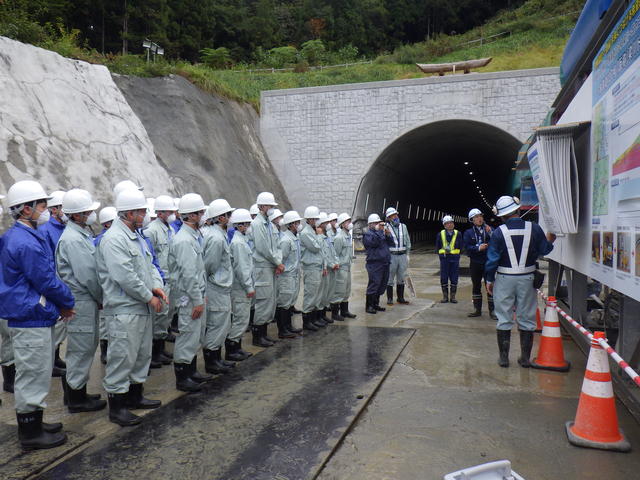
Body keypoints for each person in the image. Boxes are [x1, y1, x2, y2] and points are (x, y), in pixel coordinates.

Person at [0, 180, 74, 450]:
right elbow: (46, 280)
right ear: (26, 210)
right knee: (33, 374)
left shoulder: (24, 236)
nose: (47, 209)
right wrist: (66, 301)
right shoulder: (24, 242)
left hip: (32, 314)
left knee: (37, 372)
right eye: (42, 205)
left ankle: (35, 422)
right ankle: (30, 433)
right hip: (29, 315)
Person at [97, 188, 165, 426]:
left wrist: (157, 287)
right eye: (142, 211)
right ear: (129, 213)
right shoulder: (114, 239)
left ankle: (135, 397)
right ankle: (117, 407)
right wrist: (149, 296)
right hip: (125, 308)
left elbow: (151, 266)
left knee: (140, 355)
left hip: (140, 307)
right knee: (122, 357)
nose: (145, 215)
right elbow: (125, 276)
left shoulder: (136, 236)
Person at [486, 196, 556, 368]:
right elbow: (544, 249)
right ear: (518, 210)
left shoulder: (498, 232)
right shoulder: (534, 228)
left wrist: (489, 279)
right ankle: (524, 358)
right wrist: (551, 240)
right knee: (527, 318)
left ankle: (503, 358)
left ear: (502, 216)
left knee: (504, 317)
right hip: (527, 277)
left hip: (504, 278)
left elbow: (492, 260)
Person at [55, 189, 106, 413]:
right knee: (81, 348)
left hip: (83, 299)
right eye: (87, 211)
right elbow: (88, 275)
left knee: (85, 346)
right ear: (76, 215)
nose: (91, 215)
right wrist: (101, 297)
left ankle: (78, 392)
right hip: (82, 299)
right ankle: (76, 398)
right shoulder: (74, 240)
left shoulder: (79, 235)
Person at [167, 193, 211, 392]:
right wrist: (197, 300)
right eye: (200, 212)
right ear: (191, 216)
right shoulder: (184, 240)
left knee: (194, 335)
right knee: (187, 335)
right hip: (188, 296)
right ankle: (182, 378)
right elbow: (189, 274)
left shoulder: (192, 236)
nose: (203, 215)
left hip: (195, 294)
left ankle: (191, 371)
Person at [201, 199, 236, 374]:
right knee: (217, 323)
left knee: (221, 323)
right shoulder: (216, 238)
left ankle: (216, 358)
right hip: (216, 286)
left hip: (219, 285)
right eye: (228, 215)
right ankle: (211, 361)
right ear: (220, 217)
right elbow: (210, 265)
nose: (229, 218)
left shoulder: (217, 234)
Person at [143, 195, 176, 367]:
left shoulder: (170, 229)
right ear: (160, 213)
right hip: (161, 280)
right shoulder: (151, 231)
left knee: (166, 315)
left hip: (171, 279)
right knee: (158, 316)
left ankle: (160, 348)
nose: (172, 214)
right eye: (169, 211)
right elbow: (152, 259)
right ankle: (154, 353)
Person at [38, 189, 68, 377]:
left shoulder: (63, 228)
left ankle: (55, 357)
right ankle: (49, 362)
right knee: (55, 324)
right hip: (54, 280)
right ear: (55, 209)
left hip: (62, 280)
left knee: (60, 325)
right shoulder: (46, 229)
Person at [250, 192, 284, 347]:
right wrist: (277, 262)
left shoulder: (268, 224)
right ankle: (258, 337)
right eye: (269, 206)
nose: (271, 209)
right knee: (263, 301)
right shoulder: (257, 224)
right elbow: (263, 247)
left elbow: (276, 245)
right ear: (262, 206)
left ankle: (263, 334)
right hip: (262, 267)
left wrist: (277, 262)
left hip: (270, 266)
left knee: (269, 300)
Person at [226, 209, 255, 361]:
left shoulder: (241, 241)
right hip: (240, 287)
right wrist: (249, 287)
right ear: (240, 226)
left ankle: (236, 347)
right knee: (240, 318)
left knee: (242, 318)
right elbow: (242, 268)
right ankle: (232, 350)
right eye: (247, 224)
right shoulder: (238, 243)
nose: (249, 227)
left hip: (241, 286)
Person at [94, 206, 117, 365]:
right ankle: (105, 350)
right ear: (107, 224)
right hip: (105, 285)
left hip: (111, 285)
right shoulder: (101, 240)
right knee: (104, 322)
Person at [463, 208, 495, 318]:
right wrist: (478, 248)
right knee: (476, 286)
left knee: (490, 286)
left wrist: (490, 232)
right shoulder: (469, 233)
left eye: (480, 216)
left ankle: (492, 311)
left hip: (488, 262)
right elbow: (467, 247)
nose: (479, 218)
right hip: (475, 262)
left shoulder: (489, 229)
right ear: (472, 220)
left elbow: (497, 239)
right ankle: (477, 309)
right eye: (476, 217)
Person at [275, 211, 302, 338]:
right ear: (291, 225)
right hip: (286, 276)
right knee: (284, 303)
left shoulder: (294, 237)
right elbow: (281, 259)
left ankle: (288, 326)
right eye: (297, 223)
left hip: (293, 275)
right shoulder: (286, 240)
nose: (299, 225)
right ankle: (282, 330)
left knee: (289, 302)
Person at [299, 206, 326, 331]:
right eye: (314, 219)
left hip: (317, 266)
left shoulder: (313, 231)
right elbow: (315, 248)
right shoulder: (305, 233)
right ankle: (307, 321)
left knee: (316, 294)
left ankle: (313, 319)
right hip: (310, 267)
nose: (316, 221)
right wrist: (320, 236)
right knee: (310, 294)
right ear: (309, 219)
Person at [362, 214, 394, 314]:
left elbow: (391, 243)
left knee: (382, 284)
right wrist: (380, 231)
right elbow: (374, 243)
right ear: (370, 224)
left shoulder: (381, 233)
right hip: (375, 263)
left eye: (378, 223)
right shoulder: (368, 234)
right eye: (376, 223)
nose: (378, 225)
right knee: (374, 283)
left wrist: (388, 234)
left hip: (385, 262)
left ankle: (376, 304)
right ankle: (369, 306)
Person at [384, 207, 411, 305]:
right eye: (392, 216)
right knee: (390, 277)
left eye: (396, 215)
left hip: (402, 255)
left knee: (401, 277)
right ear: (388, 218)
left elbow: (407, 240)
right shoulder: (386, 228)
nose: (395, 217)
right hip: (392, 256)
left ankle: (400, 298)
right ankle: (390, 298)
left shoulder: (403, 226)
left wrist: (407, 254)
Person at [333, 213, 356, 319]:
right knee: (339, 290)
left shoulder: (348, 236)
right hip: (341, 267)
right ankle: (335, 313)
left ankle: (344, 311)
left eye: (350, 221)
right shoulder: (339, 237)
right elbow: (335, 254)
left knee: (346, 289)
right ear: (342, 224)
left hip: (348, 266)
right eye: (347, 222)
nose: (350, 223)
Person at [436, 215, 463, 304]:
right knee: (444, 277)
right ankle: (445, 297)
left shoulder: (458, 234)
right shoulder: (440, 234)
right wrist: (442, 255)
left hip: (455, 259)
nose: (450, 225)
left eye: (451, 223)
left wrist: (457, 255)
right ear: (444, 225)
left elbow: (461, 247)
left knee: (454, 277)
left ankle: (453, 297)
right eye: (447, 223)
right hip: (444, 259)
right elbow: (438, 248)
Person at [325, 213, 343, 321]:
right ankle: (330, 307)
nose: (335, 222)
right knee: (330, 288)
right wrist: (332, 264)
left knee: (338, 288)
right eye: (333, 220)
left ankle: (338, 309)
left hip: (337, 264)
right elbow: (330, 252)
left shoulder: (339, 232)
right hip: (330, 266)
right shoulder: (328, 234)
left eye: (336, 220)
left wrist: (336, 262)